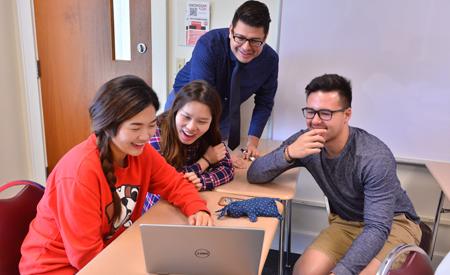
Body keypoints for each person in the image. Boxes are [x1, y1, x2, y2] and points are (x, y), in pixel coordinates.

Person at [19, 75, 213, 275]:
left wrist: (197, 209)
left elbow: (175, 184)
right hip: (56, 268)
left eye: (151, 124)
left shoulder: (141, 152)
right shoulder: (78, 173)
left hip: (109, 254)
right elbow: (87, 258)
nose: (146, 135)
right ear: (109, 126)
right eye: (136, 127)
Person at [247, 74, 421, 275]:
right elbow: (255, 174)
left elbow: (377, 228)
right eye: (310, 112)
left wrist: (342, 271)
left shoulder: (373, 156)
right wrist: (289, 153)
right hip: (346, 221)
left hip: (392, 224)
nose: (316, 121)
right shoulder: (306, 141)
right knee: (303, 271)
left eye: (326, 113)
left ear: (347, 115)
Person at [166, 0, 278, 159]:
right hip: (188, 105)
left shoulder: (270, 61)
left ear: (265, 37)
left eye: (255, 41)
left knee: (217, 162)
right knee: (174, 156)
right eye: (239, 37)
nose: (246, 47)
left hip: (225, 112)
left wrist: (252, 143)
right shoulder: (209, 44)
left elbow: (265, 102)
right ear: (230, 30)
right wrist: (210, 156)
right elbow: (201, 100)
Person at [143, 80, 234, 212]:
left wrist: (200, 181)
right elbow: (166, 181)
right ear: (175, 111)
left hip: (190, 204)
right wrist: (205, 162)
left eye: (202, 121)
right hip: (156, 210)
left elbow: (227, 169)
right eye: (186, 117)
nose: (191, 127)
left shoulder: (210, 134)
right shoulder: (155, 132)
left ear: (211, 123)